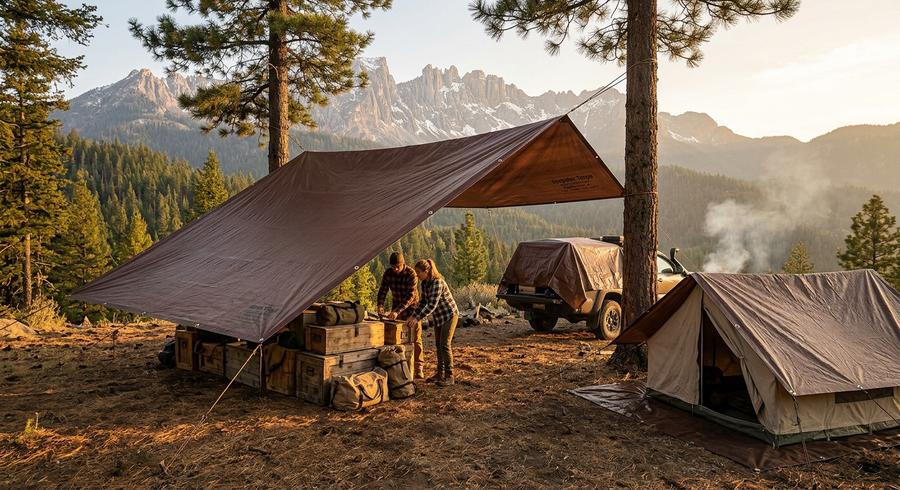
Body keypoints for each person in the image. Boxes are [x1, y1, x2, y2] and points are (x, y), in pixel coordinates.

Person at [406, 259, 459, 386]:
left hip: (449, 315)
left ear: (427, 271)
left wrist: (417, 318)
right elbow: (423, 302)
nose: (417, 275)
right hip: (439, 317)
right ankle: (440, 374)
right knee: (438, 344)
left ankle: (449, 376)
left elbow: (431, 306)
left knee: (445, 344)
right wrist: (413, 315)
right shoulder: (424, 283)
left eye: (419, 272)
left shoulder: (437, 282)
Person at [376, 252, 424, 378]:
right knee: (396, 339)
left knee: (415, 338)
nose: (395, 269)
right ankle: (400, 365)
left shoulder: (411, 274)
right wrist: (380, 304)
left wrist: (397, 311)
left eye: (398, 267)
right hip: (396, 308)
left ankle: (418, 367)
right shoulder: (388, 273)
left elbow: (410, 296)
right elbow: (383, 290)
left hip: (413, 309)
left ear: (403, 264)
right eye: (393, 267)